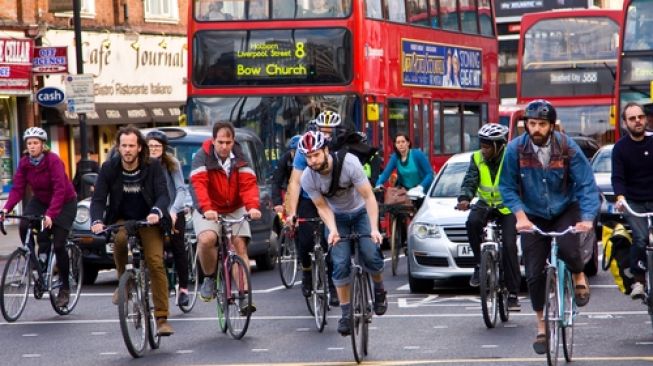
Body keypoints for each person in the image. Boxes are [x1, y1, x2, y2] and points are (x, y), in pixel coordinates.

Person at [499, 99, 599, 355]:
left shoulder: (567, 147)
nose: (536, 129)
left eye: (542, 124)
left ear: (551, 126)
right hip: (532, 214)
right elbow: (507, 187)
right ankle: (541, 326)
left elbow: (587, 184)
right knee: (533, 272)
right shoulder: (515, 150)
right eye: (531, 124)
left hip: (565, 208)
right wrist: (520, 216)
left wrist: (586, 218)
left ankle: (578, 275)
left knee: (569, 248)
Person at [298, 130, 387, 336]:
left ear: (326, 150)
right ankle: (346, 314)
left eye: (316, 155)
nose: (312, 161)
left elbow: (368, 197)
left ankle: (380, 291)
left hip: (360, 212)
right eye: (308, 157)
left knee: (371, 254)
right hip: (336, 216)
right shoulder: (307, 178)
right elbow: (322, 207)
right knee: (339, 263)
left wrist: (374, 228)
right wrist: (334, 231)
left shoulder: (350, 163)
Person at [90, 125, 174, 336]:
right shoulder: (109, 167)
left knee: (155, 261)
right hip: (122, 218)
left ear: (139, 148)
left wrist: (156, 211)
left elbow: (164, 195)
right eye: (123, 145)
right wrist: (97, 220)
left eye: (131, 146)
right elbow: (99, 199)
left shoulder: (152, 166)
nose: (127, 150)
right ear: (118, 147)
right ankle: (123, 282)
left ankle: (162, 318)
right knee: (118, 241)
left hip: (149, 219)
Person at [1, 127, 77, 308]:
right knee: (23, 225)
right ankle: (35, 260)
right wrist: (5, 209)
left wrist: (50, 215)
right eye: (29, 143)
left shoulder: (53, 161)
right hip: (41, 199)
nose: (32, 146)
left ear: (43, 145)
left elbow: (60, 189)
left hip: (64, 201)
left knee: (59, 244)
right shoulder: (25, 163)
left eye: (36, 143)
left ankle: (65, 288)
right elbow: (18, 188)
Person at [190, 121, 261, 314]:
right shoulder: (202, 156)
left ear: (233, 141)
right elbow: (198, 185)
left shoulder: (240, 156)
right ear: (213, 141)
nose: (224, 146)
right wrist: (206, 209)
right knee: (207, 239)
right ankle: (209, 277)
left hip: (235, 207)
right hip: (209, 207)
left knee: (239, 245)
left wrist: (253, 207)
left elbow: (248, 185)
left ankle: (244, 296)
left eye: (228, 142)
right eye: (220, 142)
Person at [456, 123, 521, 311]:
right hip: (485, 203)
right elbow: (470, 180)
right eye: (482, 145)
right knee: (472, 222)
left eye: (487, 146)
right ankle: (479, 264)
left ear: (499, 145)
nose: (483, 150)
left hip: (507, 207)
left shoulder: (511, 157)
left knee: (509, 245)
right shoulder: (476, 158)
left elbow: (519, 182)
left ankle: (513, 294)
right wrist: (464, 198)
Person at [285, 112, 342, 306]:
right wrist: (291, 213)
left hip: (331, 196)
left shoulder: (338, 145)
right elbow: (294, 182)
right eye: (322, 131)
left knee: (332, 242)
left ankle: (333, 286)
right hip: (309, 197)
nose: (325, 135)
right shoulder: (305, 146)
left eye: (329, 132)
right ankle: (307, 273)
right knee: (305, 239)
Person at [613, 102, 653, 299]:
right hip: (634, 202)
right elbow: (618, 178)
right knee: (641, 238)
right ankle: (639, 281)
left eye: (640, 117)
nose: (637, 121)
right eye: (632, 118)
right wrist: (621, 199)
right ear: (624, 123)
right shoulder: (620, 148)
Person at [146, 130, 191, 307]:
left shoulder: (172, 164)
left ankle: (184, 290)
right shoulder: (142, 165)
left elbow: (181, 189)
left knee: (178, 246)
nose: (154, 149)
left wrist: (173, 211)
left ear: (164, 148)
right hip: (153, 213)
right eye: (151, 146)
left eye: (158, 146)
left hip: (173, 211)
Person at [272, 135, 301, 215]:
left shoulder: (309, 159)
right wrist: (277, 203)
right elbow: (276, 181)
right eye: (293, 152)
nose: (296, 156)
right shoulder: (285, 159)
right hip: (290, 189)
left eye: (299, 153)